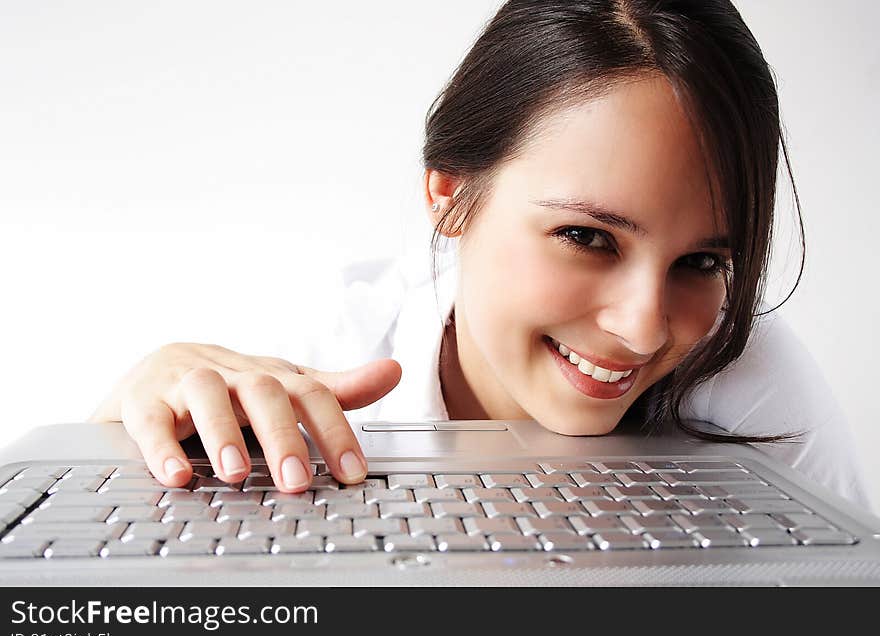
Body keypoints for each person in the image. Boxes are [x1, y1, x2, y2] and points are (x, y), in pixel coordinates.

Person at [89, 0, 872, 509]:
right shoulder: (320, 354)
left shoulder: (751, 385)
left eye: (702, 262)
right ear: (450, 194)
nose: (641, 327)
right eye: (588, 237)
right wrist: (111, 445)